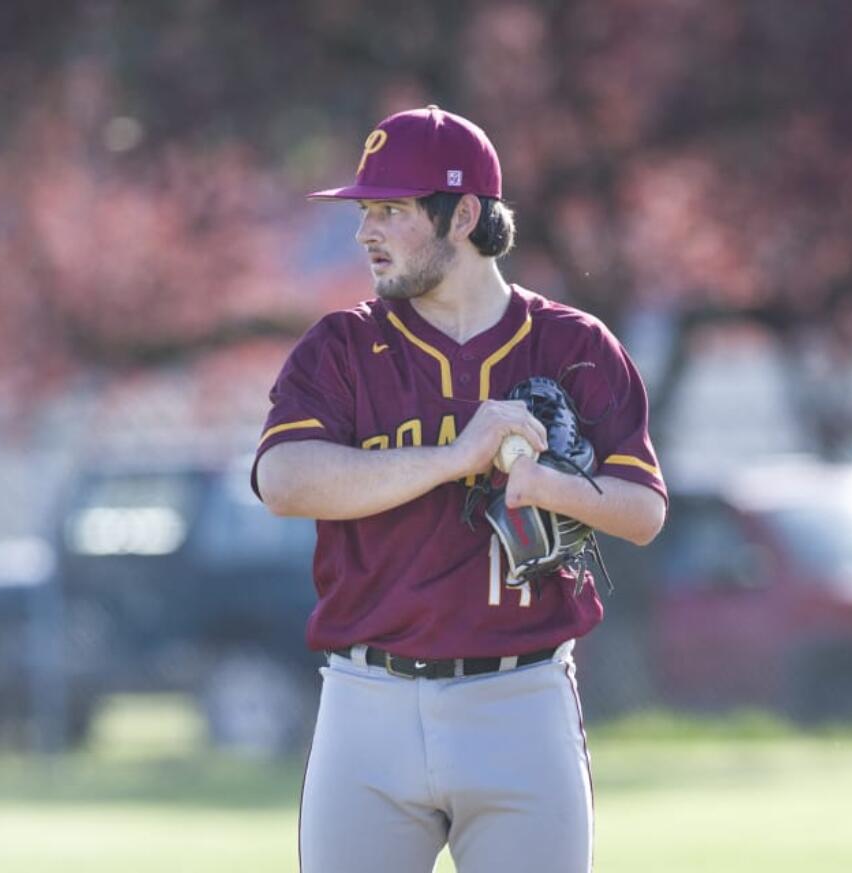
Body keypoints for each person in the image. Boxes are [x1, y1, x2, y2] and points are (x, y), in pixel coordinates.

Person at [250, 105, 667, 873]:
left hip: (523, 700)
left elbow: (642, 510)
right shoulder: (343, 345)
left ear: (465, 214)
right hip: (367, 703)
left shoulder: (573, 345)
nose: (365, 230)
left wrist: (546, 484)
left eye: (391, 210)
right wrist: (454, 455)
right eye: (364, 209)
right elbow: (283, 480)